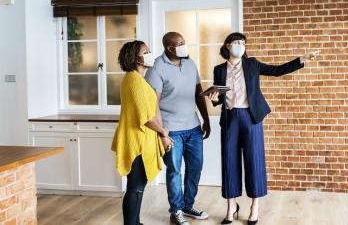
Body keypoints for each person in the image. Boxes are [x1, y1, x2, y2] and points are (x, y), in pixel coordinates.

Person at [208, 32, 318, 225]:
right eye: (236, 42)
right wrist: (215, 99)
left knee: (254, 162)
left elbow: (277, 70)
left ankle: (254, 207)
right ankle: (231, 206)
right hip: (229, 119)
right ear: (227, 46)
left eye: (243, 43)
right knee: (229, 162)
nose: (240, 45)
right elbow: (219, 99)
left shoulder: (252, 64)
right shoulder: (219, 69)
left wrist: (302, 58)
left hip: (251, 118)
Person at [145, 32, 211, 225]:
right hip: (171, 129)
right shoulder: (157, 67)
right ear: (169, 48)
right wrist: (162, 133)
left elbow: (198, 93)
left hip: (193, 127)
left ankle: (188, 205)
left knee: (196, 167)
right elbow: (153, 104)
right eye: (180, 44)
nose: (184, 46)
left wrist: (206, 119)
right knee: (174, 171)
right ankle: (176, 211)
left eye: (184, 42)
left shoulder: (190, 63)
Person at [111, 40, 173, 225]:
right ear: (134, 57)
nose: (149, 54)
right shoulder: (133, 80)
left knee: (138, 187)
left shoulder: (139, 80)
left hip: (142, 140)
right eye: (146, 51)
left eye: (149, 51)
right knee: (135, 188)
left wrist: (162, 132)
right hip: (136, 142)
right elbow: (145, 118)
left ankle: (136, 223)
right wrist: (164, 133)